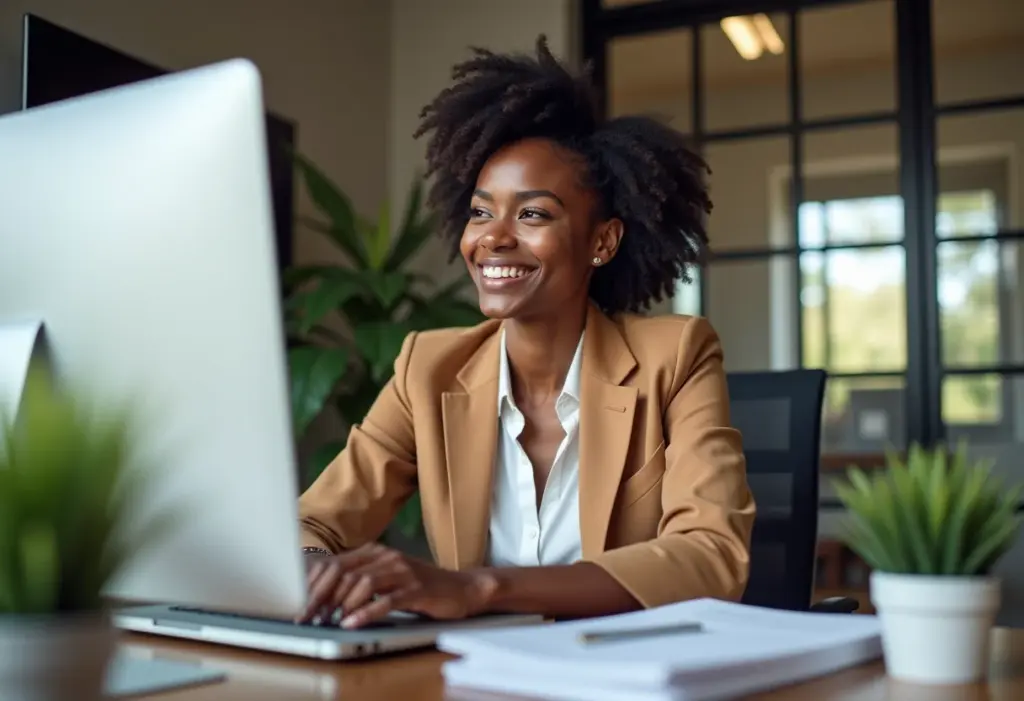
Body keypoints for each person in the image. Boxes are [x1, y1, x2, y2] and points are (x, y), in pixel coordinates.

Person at [296, 36, 755, 630]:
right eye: (482, 212)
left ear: (603, 242)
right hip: (476, 676)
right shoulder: (427, 368)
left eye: (533, 214)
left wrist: (480, 588)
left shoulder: (677, 356)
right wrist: (313, 565)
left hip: (623, 673)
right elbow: (318, 522)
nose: (493, 238)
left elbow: (711, 556)